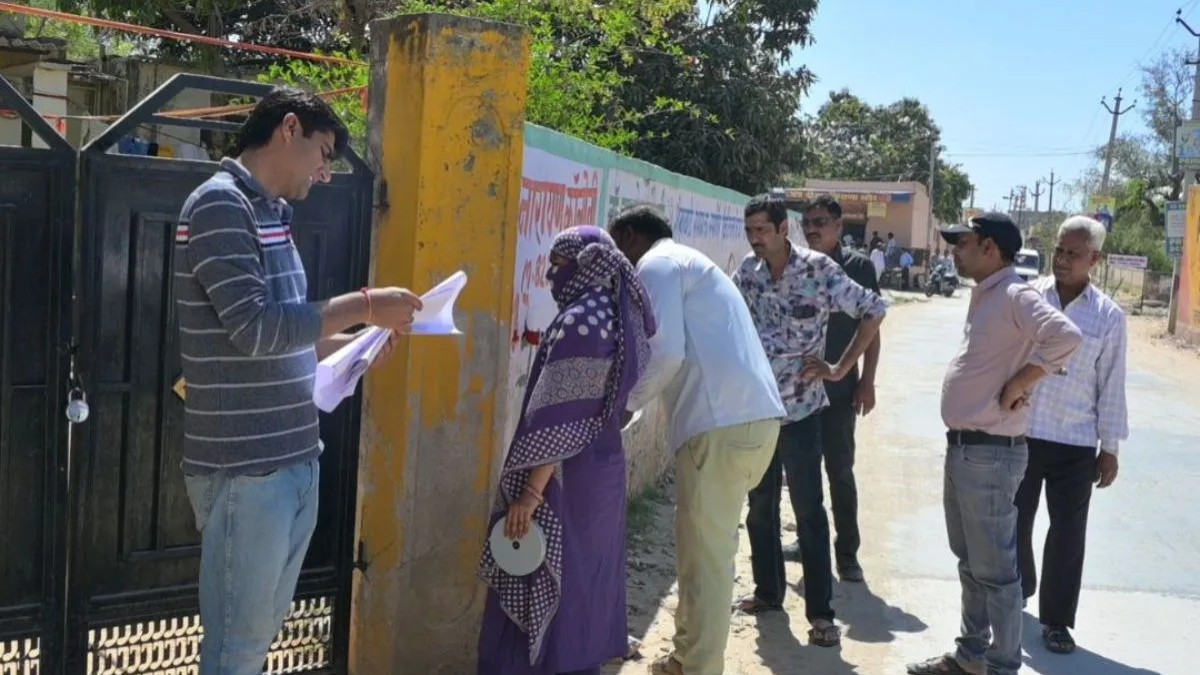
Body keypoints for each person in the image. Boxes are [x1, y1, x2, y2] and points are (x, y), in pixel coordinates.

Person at [175, 88, 423, 675]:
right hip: (247, 471)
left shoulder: (271, 214)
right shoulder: (219, 206)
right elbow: (257, 329)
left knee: (252, 644)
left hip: (290, 461)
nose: (326, 171)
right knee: (235, 652)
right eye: (324, 152)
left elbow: (286, 337)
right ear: (289, 128)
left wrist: (354, 347)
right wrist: (365, 302)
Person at [607, 205, 785, 675]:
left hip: (722, 425)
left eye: (616, 245)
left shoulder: (657, 264)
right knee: (701, 551)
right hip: (746, 423)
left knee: (705, 561)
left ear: (628, 236)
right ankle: (687, 657)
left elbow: (665, 351)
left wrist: (625, 406)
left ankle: (699, 666)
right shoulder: (688, 262)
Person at [908, 212, 1081, 675]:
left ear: (989, 248)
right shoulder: (987, 295)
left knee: (997, 573)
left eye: (962, 242)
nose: (954, 250)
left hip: (989, 453)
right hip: (966, 449)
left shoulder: (1013, 294)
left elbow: (1066, 335)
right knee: (971, 561)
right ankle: (970, 655)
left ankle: (1002, 666)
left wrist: (1024, 380)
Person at [477, 226, 656, 675]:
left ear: (584, 265)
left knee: (545, 576)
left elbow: (565, 419)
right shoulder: (617, 313)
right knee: (584, 586)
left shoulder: (583, 322)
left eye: (558, 266)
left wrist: (530, 495)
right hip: (603, 471)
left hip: (566, 479)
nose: (552, 277)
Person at [732, 194, 887, 647]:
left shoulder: (819, 270)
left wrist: (840, 368)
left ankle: (821, 614)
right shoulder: (747, 273)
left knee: (809, 513)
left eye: (762, 229)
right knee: (759, 509)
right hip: (759, 411)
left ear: (784, 230)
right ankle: (767, 593)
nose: (755, 238)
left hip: (801, 413)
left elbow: (874, 310)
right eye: (750, 231)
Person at [1018, 216, 1128, 655]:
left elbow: (1112, 384)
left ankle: (1058, 622)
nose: (1062, 259)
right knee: (1013, 522)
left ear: (1094, 260)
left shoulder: (1109, 318)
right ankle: (1019, 585)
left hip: (1076, 443)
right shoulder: (1028, 298)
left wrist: (1110, 448)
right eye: (1059, 250)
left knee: (1067, 534)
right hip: (1022, 432)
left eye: (1073, 253)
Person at [780, 194, 882, 582]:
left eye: (821, 221)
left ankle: (847, 552)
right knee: (803, 472)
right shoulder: (795, 267)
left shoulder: (856, 267)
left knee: (840, 470)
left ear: (839, 227)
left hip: (839, 390)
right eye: (806, 222)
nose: (812, 229)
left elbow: (871, 327)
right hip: (800, 391)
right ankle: (809, 544)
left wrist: (867, 380)